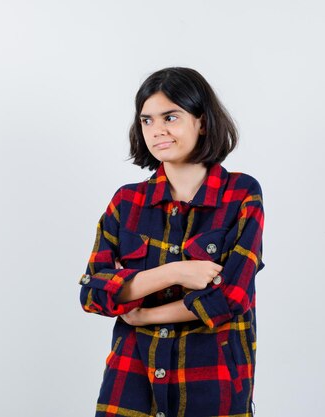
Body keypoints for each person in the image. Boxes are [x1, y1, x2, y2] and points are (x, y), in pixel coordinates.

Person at [79, 67, 266, 417]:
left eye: (171, 117)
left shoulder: (241, 194)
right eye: (147, 120)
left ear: (202, 121)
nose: (157, 130)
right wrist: (176, 273)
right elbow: (93, 293)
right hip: (131, 384)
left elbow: (230, 297)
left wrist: (143, 312)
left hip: (212, 382)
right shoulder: (126, 202)